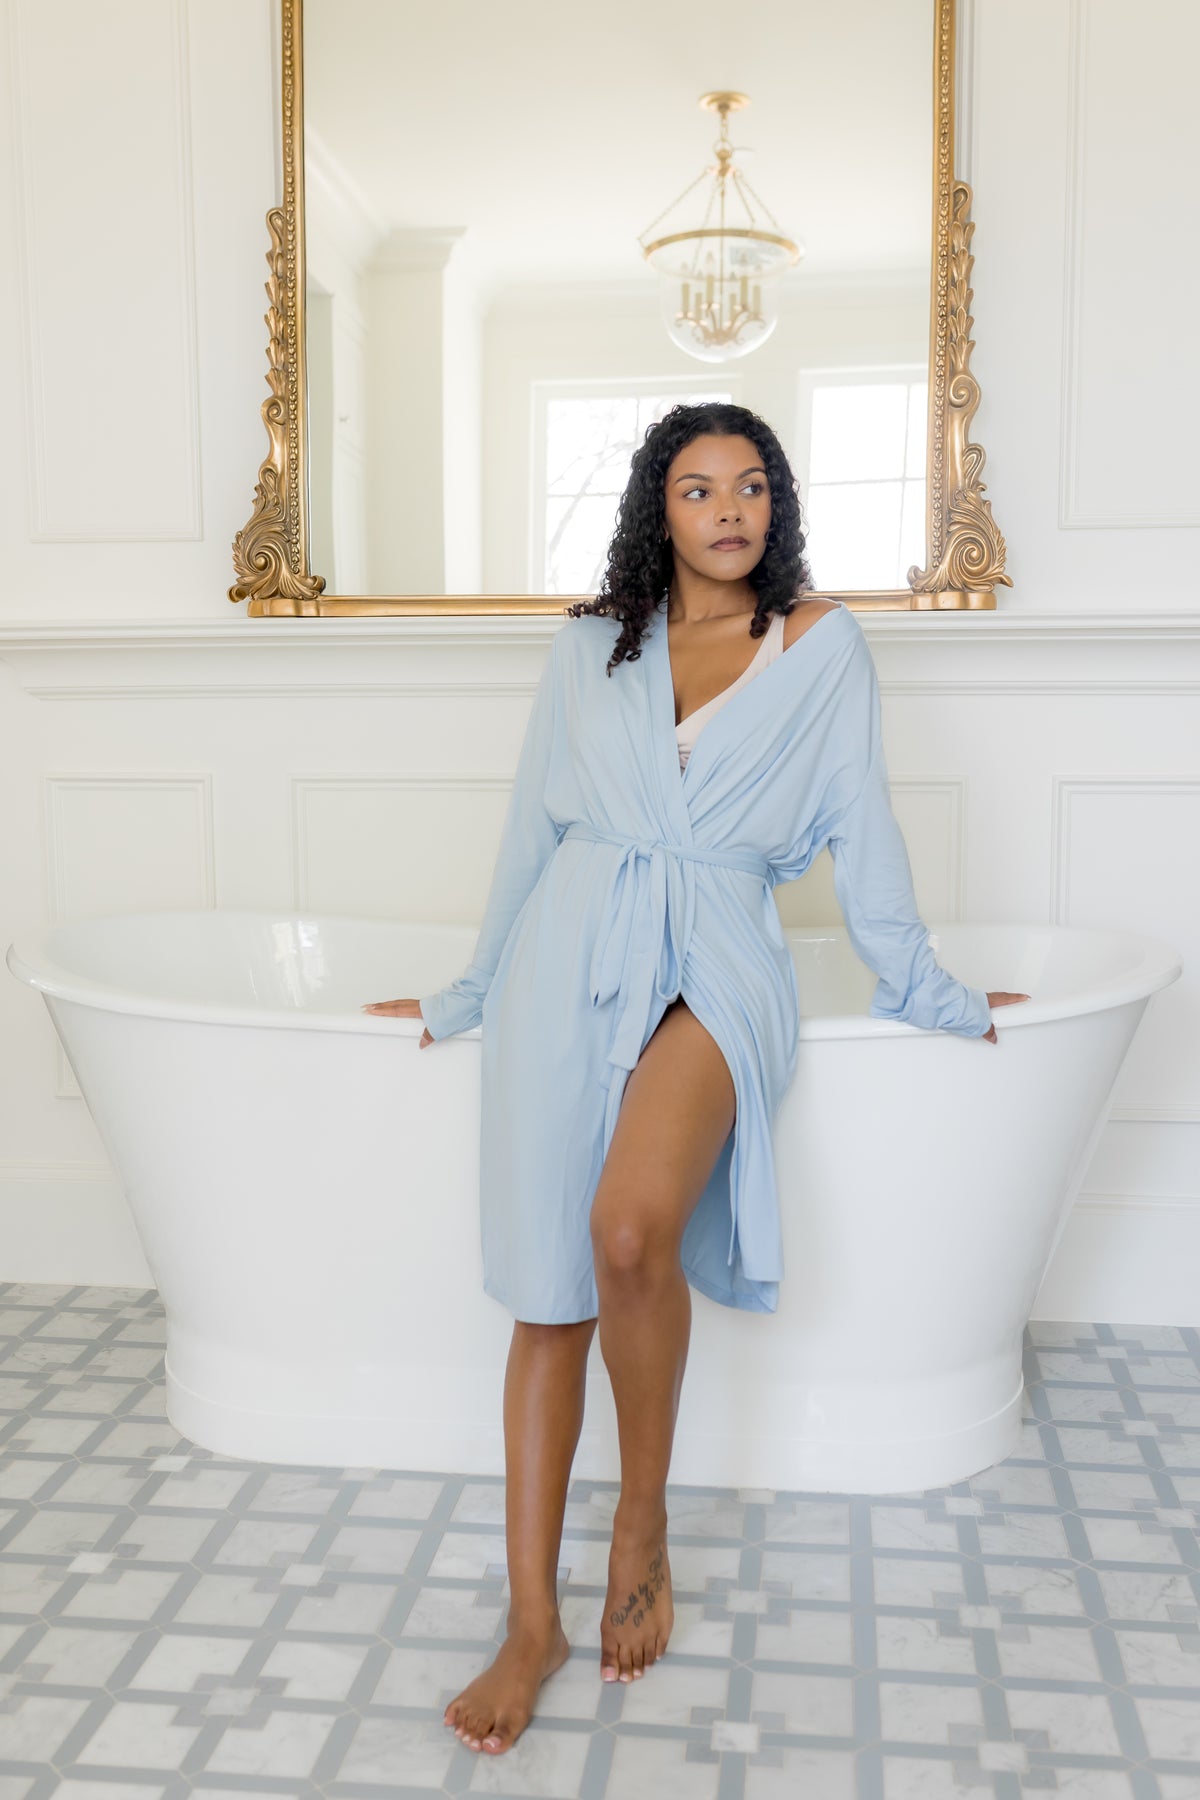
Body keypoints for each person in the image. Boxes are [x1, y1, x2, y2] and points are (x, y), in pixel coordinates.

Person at [362, 401, 1031, 1755]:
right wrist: (473, 988)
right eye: (695, 487)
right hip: (569, 948)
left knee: (627, 1232)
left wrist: (932, 991)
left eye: (750, 486)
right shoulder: (586, 647)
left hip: (721, 950)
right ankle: (530, 1621)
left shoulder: (821, 647)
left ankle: (646, 1514)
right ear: (656, 511)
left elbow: (864, 826)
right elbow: (527, 827)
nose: (728, 509)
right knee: (548, 1299)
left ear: (777, 507)